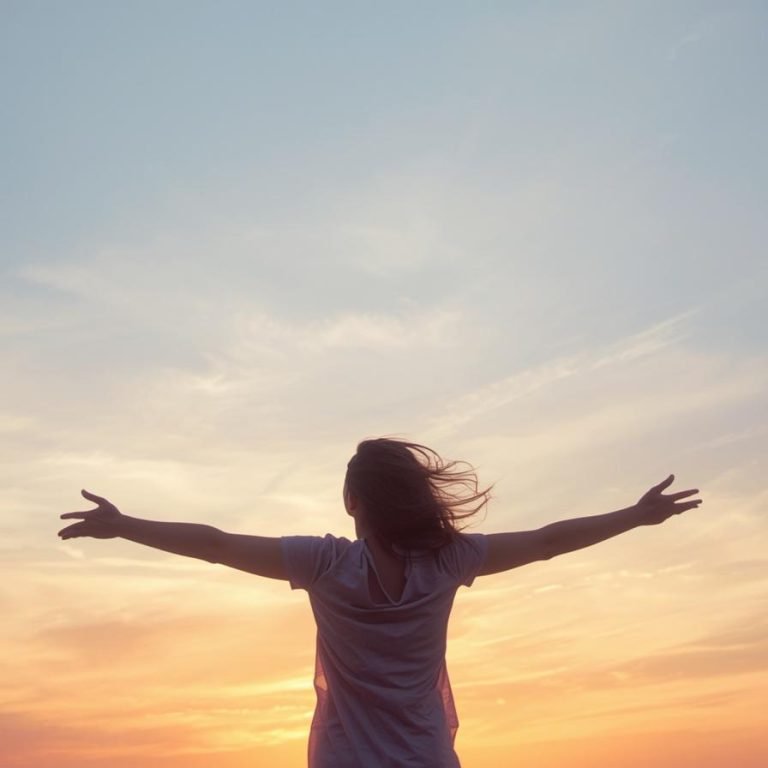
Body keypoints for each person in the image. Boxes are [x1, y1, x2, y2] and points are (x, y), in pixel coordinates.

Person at [57, 437, 702, 768]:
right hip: (425, 756)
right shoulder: (449, 560)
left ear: (352, 503)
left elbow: (216, 544)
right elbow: (545, 542)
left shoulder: (326, 563)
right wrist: (635, 516)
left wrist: (127, 525)